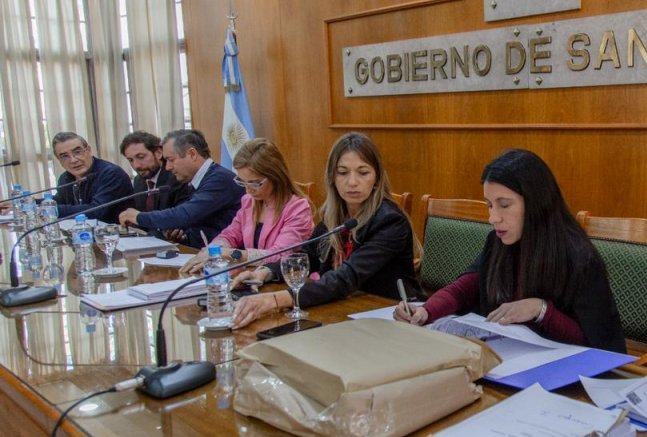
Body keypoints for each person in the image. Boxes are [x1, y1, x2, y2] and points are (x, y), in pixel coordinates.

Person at [394, 149, 626, 353]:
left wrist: (541, 310)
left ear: (536, 203)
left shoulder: (578, 257)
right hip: (508, 361)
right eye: (489, 205)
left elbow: (596, 343)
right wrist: (426, 311)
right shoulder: (498, 241)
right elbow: (467, 287)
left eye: (504, 205)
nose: (493, 218)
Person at [230, 132, 421, 328]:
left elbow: (346, 277)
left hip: (393, 316)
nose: (352, 182)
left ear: (377, 178)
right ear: (332, 176)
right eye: (343, 172)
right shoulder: (335, 216)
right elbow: (307, 256)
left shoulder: (390, 221)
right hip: (345, 312)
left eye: (363, 173)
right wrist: (264, 273)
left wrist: (274, 300)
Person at [180, 138, 314, 273]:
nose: (248, 190)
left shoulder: (298, 209)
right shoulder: (249, 202)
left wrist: (231, 254)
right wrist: (213, 251)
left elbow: (280, 256)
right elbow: (230, 235)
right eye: (243, 182)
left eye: (254, 183)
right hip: (252, 278)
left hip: (285, 281)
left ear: (275, 176)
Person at [118, 129, 243, 249]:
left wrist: (138, 217)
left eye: (171, 160)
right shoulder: (197, 180)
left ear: (192, 154)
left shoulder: (219, 180)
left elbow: (185, 214)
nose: (168, 167)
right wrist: (181, 236)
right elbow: (200, 227)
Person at [120, 131, 192, 239]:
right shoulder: (139, 181)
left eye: (141, 157)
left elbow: (182, 219)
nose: (136, 165)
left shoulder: (176, 177)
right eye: (130, 160)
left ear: (158, 153)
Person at [51, 132, 134, 223]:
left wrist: (52, 210)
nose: (73, 160)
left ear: (89, 151)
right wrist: (38, 204)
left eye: (78, 152)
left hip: (117, 235)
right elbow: (58, 202)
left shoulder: (111, 174)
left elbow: (96, 211)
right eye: (65, 156)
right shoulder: (65, 178)